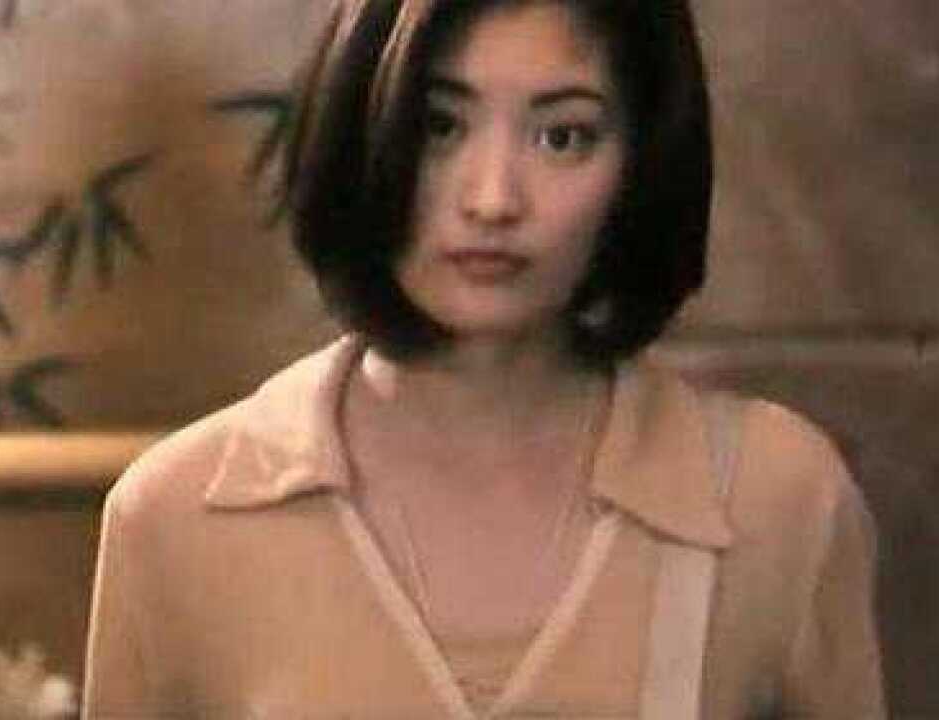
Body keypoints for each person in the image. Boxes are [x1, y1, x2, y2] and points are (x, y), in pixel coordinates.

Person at [82, 0, 885, 717]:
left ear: (641, 164)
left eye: (562, 136)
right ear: (363, 130)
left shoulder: (775, 499)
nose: (493, 198)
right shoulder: (175, 516)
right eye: (440, 126)